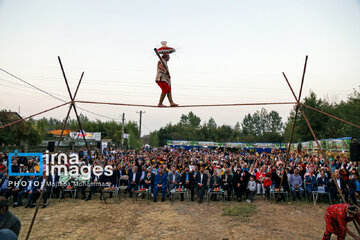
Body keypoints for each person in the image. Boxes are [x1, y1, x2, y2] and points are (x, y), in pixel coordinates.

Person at [155, 41, 178, 107]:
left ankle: (171, 102)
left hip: (165, 78)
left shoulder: (165, 62)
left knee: (168, 89)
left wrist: (167, 73)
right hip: (161, 78)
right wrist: (165, 70)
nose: (169, 57)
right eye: (168, 56)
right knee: (165, 89)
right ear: (165, 56)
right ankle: (160, 103)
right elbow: (160, 66)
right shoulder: (161, 60)